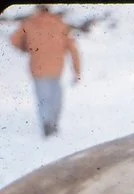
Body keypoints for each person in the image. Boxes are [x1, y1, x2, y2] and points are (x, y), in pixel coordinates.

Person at [10, 5, 82, 138]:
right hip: (56, 69)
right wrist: (77, 71)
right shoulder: (60, 24)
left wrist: (26, 48)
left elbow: (14, 40)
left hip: (38, 68)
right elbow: (73, 50)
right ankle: (53, 124)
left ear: (37, 10)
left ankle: (47, 124)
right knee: (56, 98)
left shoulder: (29, 24)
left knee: (43, 98)